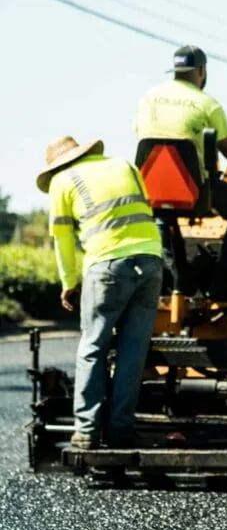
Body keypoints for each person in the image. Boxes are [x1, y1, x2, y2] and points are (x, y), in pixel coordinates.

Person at [37, 135, 164, 449]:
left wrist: (69, 284)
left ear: (56, 167)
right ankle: (121, 428)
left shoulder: (62, 181)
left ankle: (88, 430)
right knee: (133, 352)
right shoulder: (125, 165)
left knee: (93, 346)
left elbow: (63, 240)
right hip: (150, 262)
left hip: (107, 266)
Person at [134, 46, 227, 298]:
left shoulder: (148, 99)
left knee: (163, 216)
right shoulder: (207, 104)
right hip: (195, 190)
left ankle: (179, 282)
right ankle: (222, 283)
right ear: (202, 72)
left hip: (152, 191)